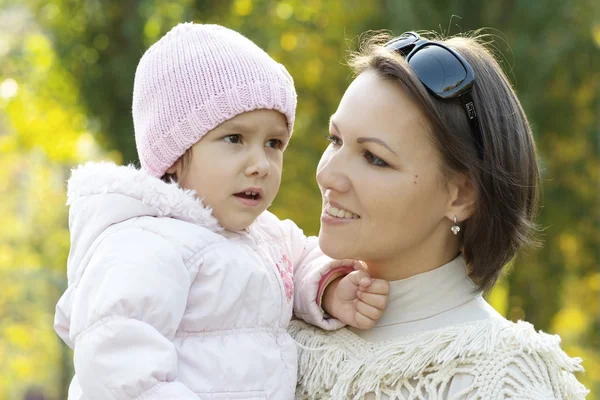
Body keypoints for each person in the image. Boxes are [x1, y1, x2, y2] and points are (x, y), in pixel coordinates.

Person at [53, 23, 389, 399]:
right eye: (235, 139)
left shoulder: (266, 234)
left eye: (273, 143)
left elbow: (303, 259)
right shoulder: (144, 243)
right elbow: (119, 366)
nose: (260, 163)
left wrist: (331, 291)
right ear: (176, 155)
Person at [290, 31, 589, 399]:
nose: (327, 175)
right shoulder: (279, 312)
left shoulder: (501, 378)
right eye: (334, 140)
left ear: (461, 195)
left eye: (374, 158)